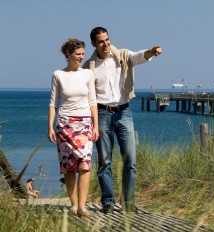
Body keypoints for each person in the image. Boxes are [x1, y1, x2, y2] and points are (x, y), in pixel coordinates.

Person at [82, 27, 162, 214]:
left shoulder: (122, 56)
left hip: (124, 112)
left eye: (107, 39)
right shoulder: (89, 66)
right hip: (101, 114)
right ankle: (108, 202)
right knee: (104, 162)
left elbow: (139, 56)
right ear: (94, 43)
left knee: (130, 161)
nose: (106, 43)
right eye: (101, 41)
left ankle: (128, 202)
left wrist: (151, 52)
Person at [48, 38, 99, 217]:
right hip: (64, 124)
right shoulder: (58, 75)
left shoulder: (87, 74)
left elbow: (93, 101)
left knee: (85, 166)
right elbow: (53, 103)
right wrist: (50, 127)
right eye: (78, 54)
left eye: (83, 54)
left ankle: (83, 207)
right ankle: (74, 205)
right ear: (68, 54)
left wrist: (96, 126)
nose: (81, 57)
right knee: (68, 167)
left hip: (85, 124)